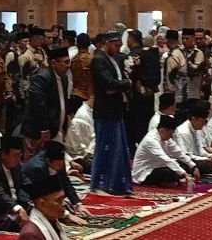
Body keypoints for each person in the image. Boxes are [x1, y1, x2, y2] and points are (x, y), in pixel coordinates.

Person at [90, 31, 132, 195]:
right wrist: (126, 83)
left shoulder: (113, 59)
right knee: (104, 148)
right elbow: (108, 84)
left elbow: (117, 84)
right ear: (106, 43)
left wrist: (122, 84)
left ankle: (116, 185)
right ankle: (100, 185)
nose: (118, 48)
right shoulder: (99, 60)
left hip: (116, 110)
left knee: (118, 149)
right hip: (105, 111)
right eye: (115, 45)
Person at [17, 141, 86, 220]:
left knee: (66, 205)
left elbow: (65, 181)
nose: (60, 167)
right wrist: (66, 214)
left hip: (49, 193)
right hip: (29, 197)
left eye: (62, 163)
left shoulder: (59, 161)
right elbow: (42, 197)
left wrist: (77, 204)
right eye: (58, 164)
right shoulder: (36, 168)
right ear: (48, 161)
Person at [21, 47, 70, 155]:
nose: (68, 65)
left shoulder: (64, 78)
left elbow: (63, 102)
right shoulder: (42, 78)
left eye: (69, 61)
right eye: (65, 62)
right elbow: (38, 105)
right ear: (54, 63)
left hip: (56, 129)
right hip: (39, 132)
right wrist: (44, 129)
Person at [132, 115, 199, 188]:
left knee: (182, 165)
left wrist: (193, 167)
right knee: (168, 171)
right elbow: (166, 160)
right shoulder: (150, 140)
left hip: (160, 166)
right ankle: (176, 181)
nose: (171, 136)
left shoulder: (166, 138)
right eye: (170, 133)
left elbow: (178, 153)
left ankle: (173, 181)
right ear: (162, 130)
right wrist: (185, 175)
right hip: (145, 172)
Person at [173, 102, 212, 174]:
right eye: (202, 121)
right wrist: (206, 159)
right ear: (193, 119)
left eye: (204, 121)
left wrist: (210, 156)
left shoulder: (196, 129)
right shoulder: (183, 132)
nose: (203, 124)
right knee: (203, 164)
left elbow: (200, 150)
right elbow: (186, 156)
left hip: (196, 157)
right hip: (185, 160)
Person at [17, 175, 67, 240]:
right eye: (58, 200)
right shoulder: (30, 235)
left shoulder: (53, 222)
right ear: (42, 204)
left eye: (63, 198)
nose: (64, 203)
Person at [65, 96, 95, 174]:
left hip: (85, 155)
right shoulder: (60, 130)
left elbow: (94, 137)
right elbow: (60, 150)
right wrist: (71, 161)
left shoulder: (79, 123)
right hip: (71, 158)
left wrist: (89, 151)